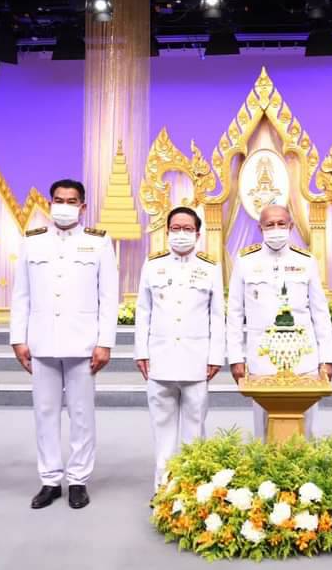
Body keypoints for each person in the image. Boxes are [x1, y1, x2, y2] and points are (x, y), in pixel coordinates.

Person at [10, 179, 119, 510]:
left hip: (83, 343)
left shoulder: (98, 242)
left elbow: (108, 296)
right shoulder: (33, 241)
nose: (64, 206)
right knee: (44, 413)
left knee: (81, 414)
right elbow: (21, 294)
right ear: (50, 203)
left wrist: (105, 342)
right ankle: (49, 480)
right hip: (41, 341)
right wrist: (18, 338)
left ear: (83, 206)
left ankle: (78, 480)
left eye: (72, 201)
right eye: (59, 200)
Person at [134, 206, 225, 492]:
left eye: (187, 229)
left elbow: (217, 315)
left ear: (197, 234)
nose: (181, 234)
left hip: (197, 360)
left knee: (194, 428)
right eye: (176, 228)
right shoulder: (153, 265)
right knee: (162, 428)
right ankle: (163, 489)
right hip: (159, 359)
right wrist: (141, 352)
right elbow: (143, 311)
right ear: (167, 231)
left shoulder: (210, 268)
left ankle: (192, 489)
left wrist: (215, 356)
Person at [226, 204, 332, 438]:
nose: (276, 229)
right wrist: (235, 357)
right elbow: (234, 313)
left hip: (303, 357)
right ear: (260, 228)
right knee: (264, 427)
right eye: (270, 224)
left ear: (291, 226)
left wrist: (327, 358)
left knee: (308, 427)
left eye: (281, 224)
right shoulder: (245, 261)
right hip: (263, 357)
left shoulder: (306, 261)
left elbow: (320, 313)